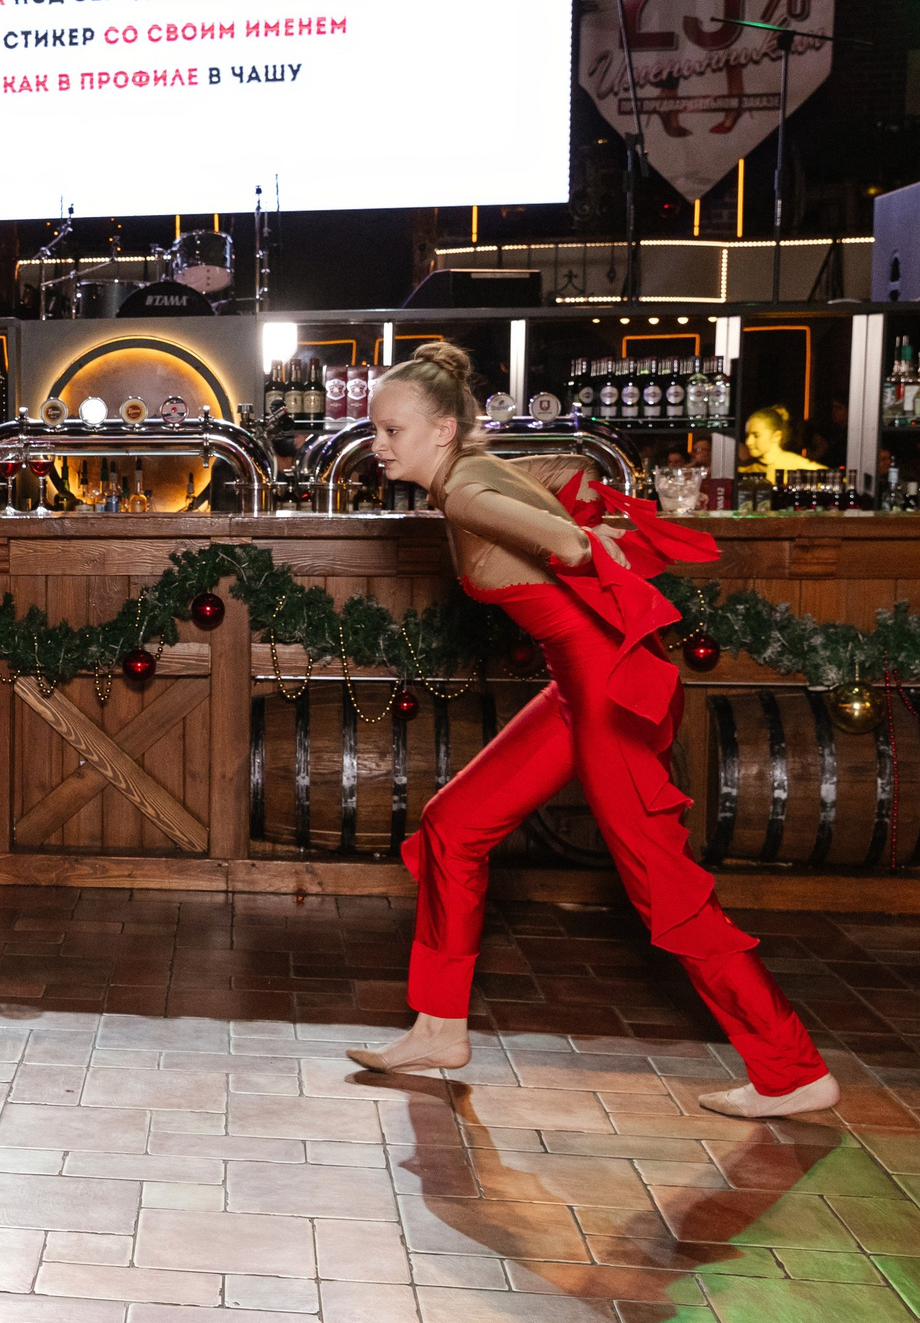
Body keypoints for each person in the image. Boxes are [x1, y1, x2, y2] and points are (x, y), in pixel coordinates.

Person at [347, 341, 839, 1121]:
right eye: (374, 429)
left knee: (662, 888)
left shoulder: (466, 493)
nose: (376, 445)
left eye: (391, 431)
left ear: (441, 430)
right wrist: (578, 513)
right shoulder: (476, 466)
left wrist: (588, 542)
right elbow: (565, 480)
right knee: (455, 824)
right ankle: (439, 1025)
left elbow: (569, 540)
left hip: (604, 695)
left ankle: (792, 1069)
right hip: (578, 687)